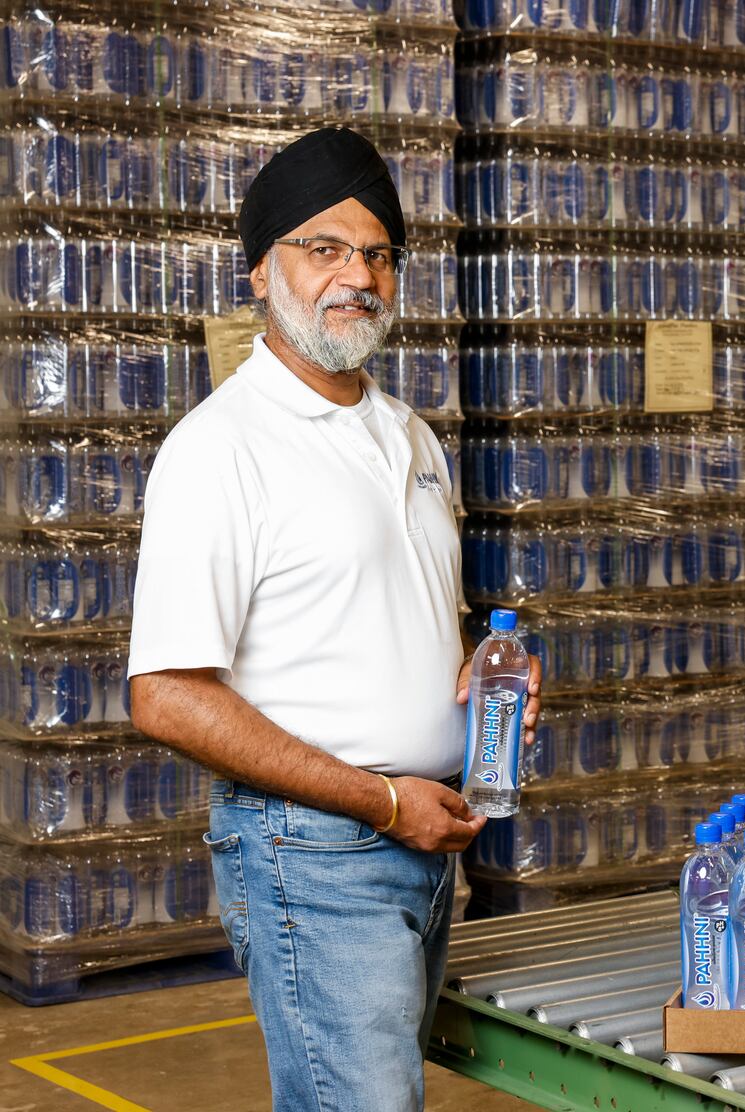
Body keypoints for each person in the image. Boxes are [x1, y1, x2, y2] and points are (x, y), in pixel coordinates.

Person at [128, 127, 541, 1111]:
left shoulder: (409, 433)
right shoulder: (221, 448)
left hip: (426, 839)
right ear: (262, 273)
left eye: (378, 253)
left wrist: (480, 665)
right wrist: (379, 798)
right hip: (313, 854)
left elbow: (392, 618)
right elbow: (166, 696)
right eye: (324, 248)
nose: (356, 275)